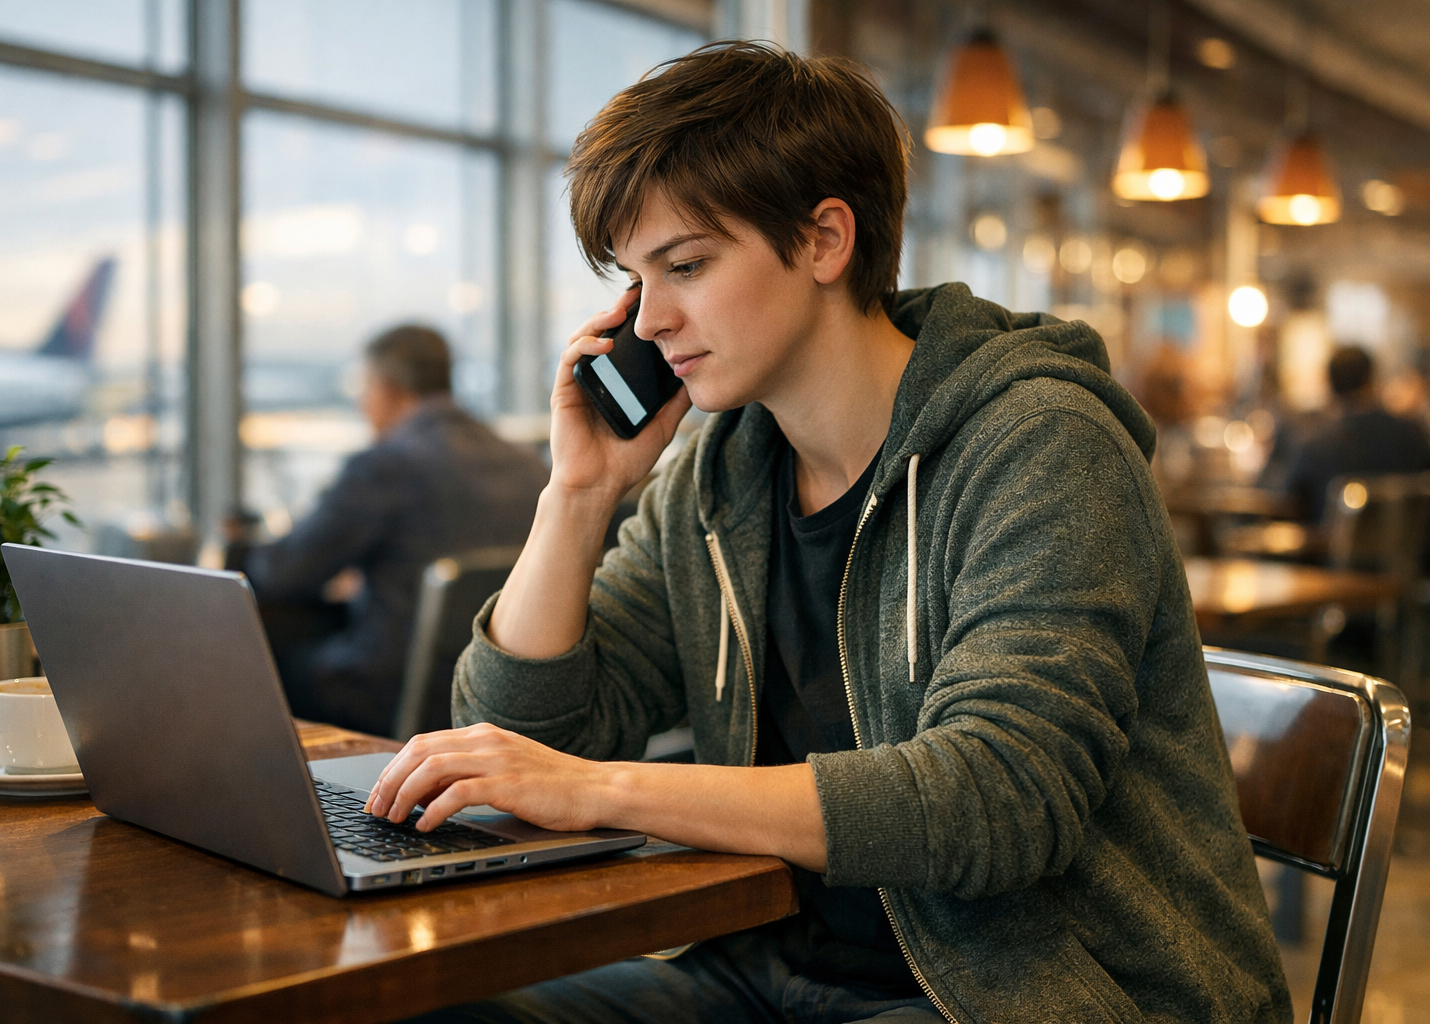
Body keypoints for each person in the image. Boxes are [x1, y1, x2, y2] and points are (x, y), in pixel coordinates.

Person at [369, 43, 1290, 1024]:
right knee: (413, 1004)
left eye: (685, 265)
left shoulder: (1040, 440)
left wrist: (606, 790)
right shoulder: (721, 471)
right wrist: (580, 495)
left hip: (1022, 991)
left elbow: (1001, 797)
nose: (654, 323)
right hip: (763, 972)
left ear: (824, 240)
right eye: (638, 280)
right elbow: (525, 741)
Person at [236, 325, 547, 737]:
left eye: (364, 388)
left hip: (398, 694)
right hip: (504, 692)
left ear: (387, 386)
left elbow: (283, 572)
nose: (363, 404)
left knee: (267, 657)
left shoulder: (387, 466)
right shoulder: (528, 465)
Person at [1283, 345, 1430, 522]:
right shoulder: (1414, 438)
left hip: (1328, 548)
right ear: (1370, 380)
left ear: (1330, 385)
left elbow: (1289, 503)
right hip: (1406, 547)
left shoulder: (1315, 447)